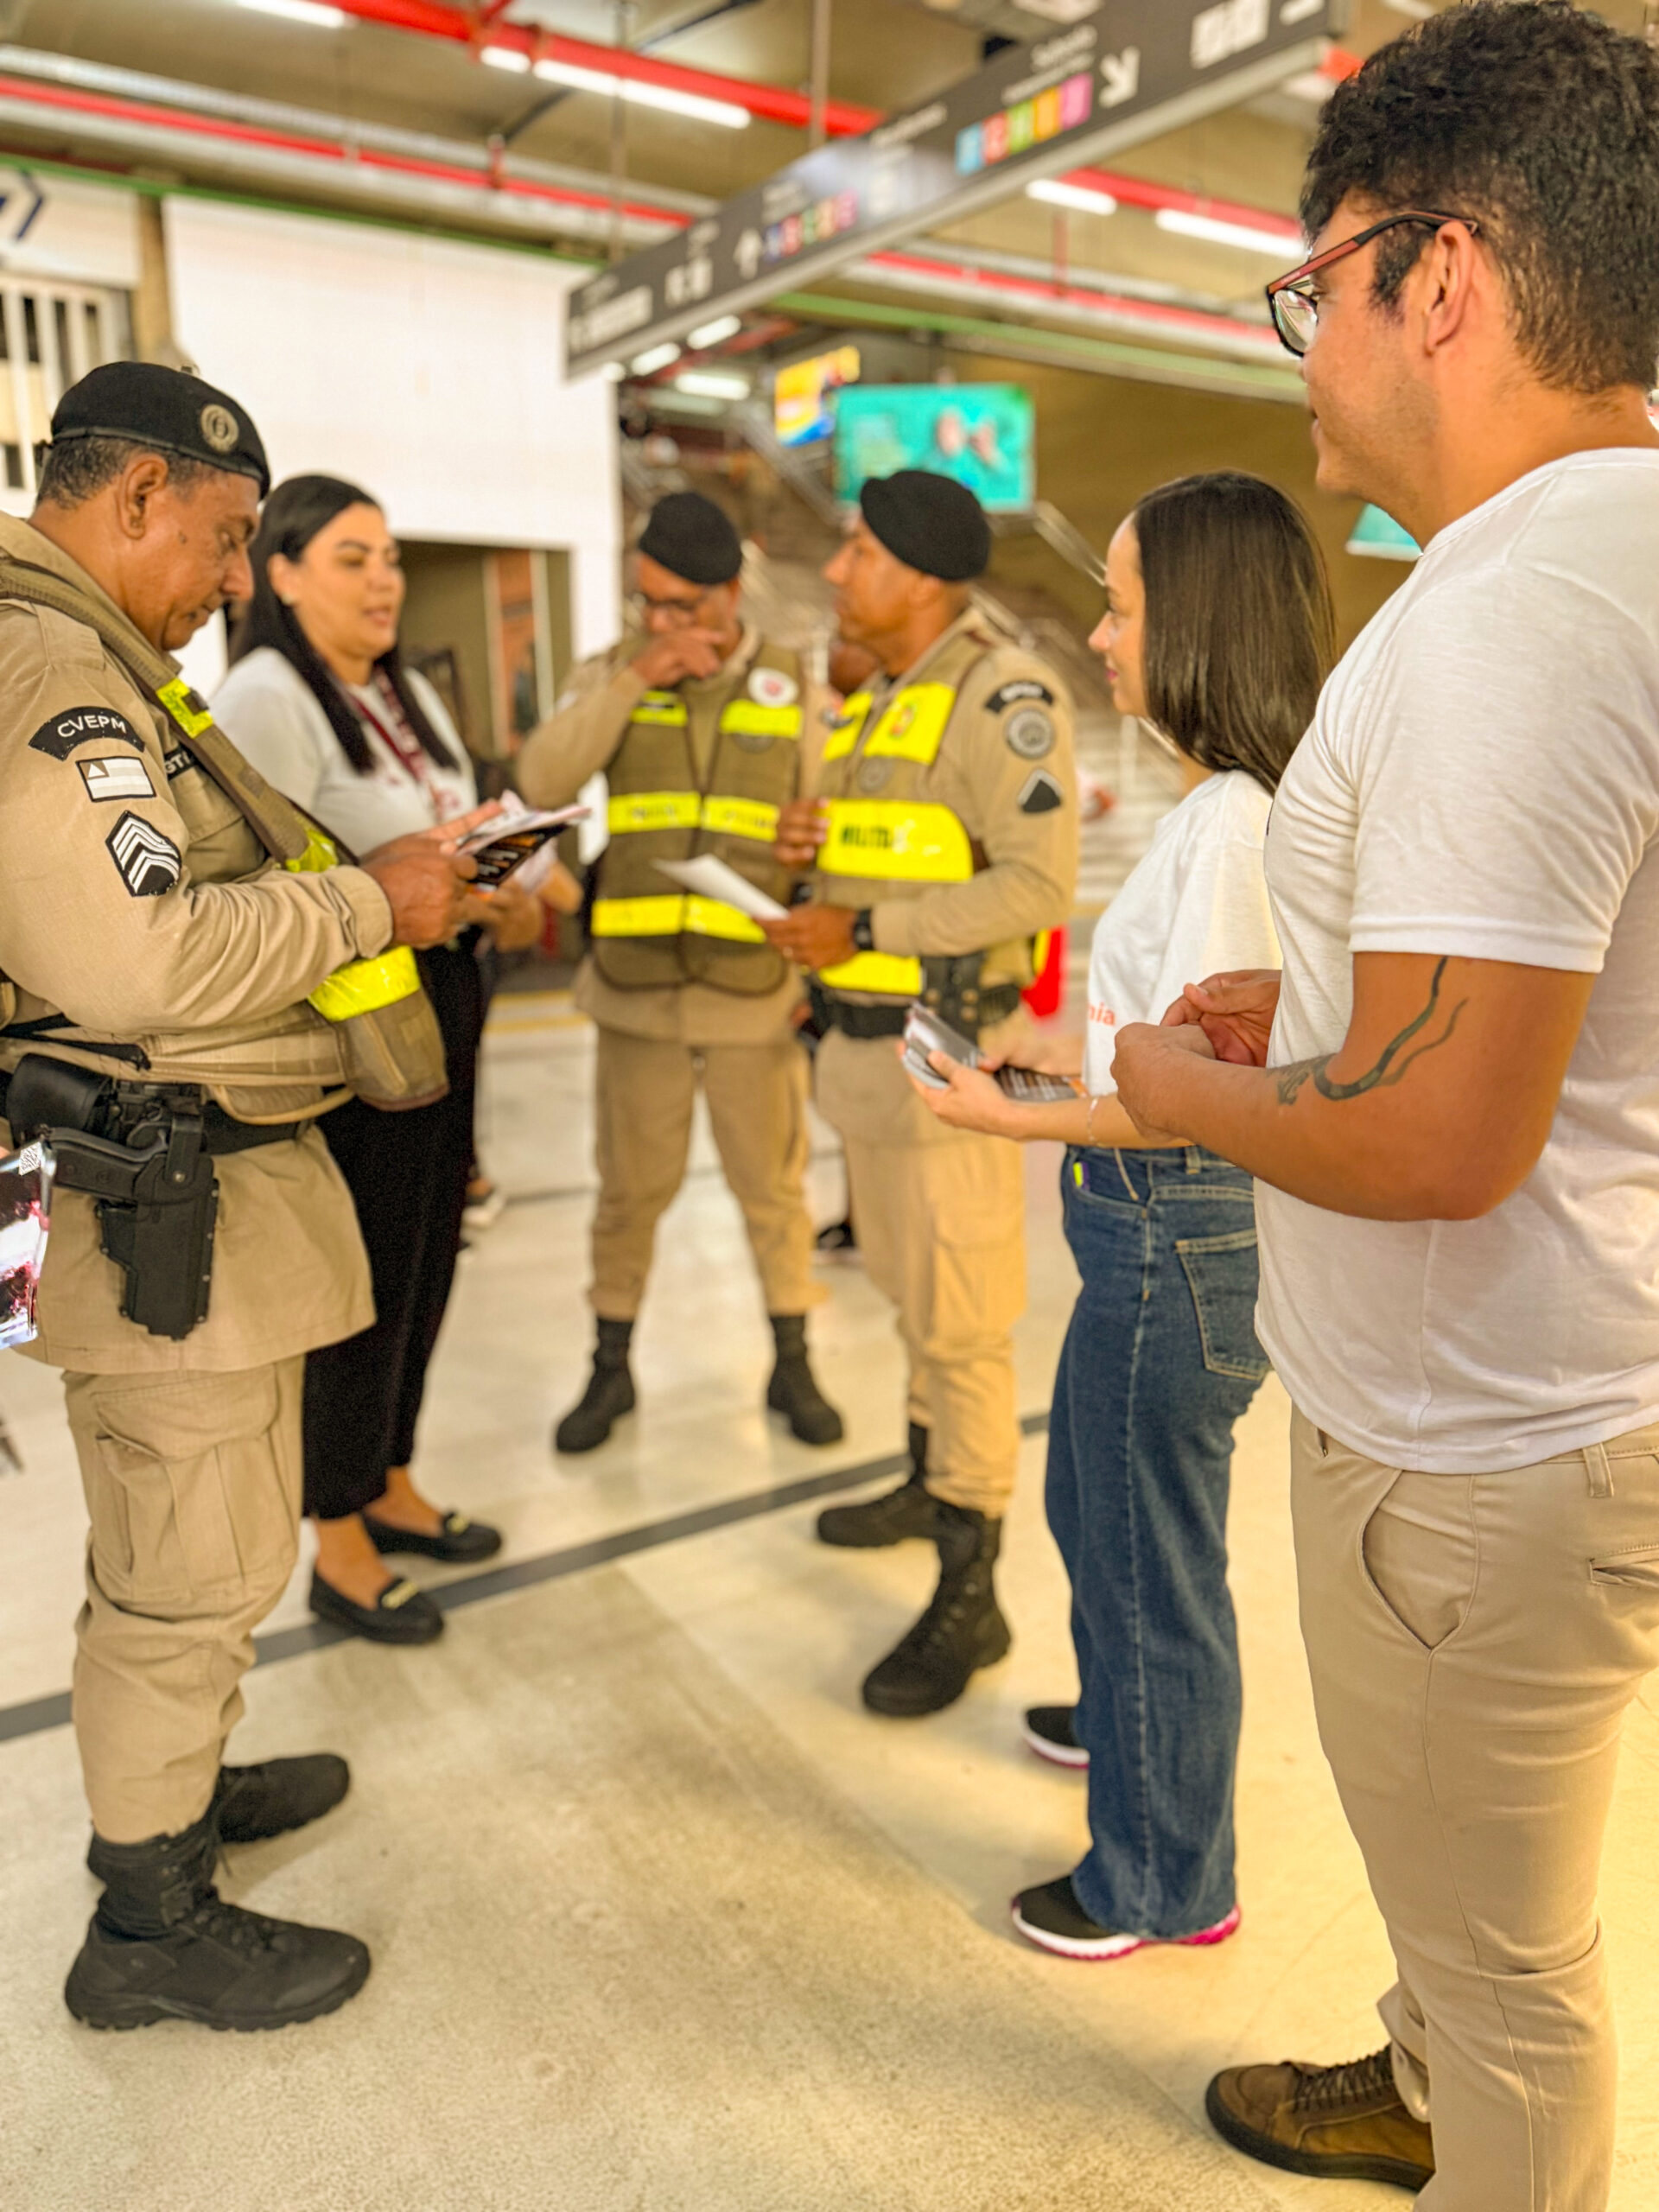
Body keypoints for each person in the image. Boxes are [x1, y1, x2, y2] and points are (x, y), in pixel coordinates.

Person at [1105, 8, 1659, 2203]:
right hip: (1570, 1384)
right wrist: (1315, 992)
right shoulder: (1607, 556)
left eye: (1303, 288)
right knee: (1471, 1919)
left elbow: (1439, 1143)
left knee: (1513, 1973)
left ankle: (1475, 2120)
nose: (1299, 350)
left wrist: (1167, 1075)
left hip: (1475, 1448)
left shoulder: (1510, 607)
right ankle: (1419, 2073)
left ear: (1437, 276)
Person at [0, 365, 476, 2031]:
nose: (227, 584)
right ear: (134, 500)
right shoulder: (55, 666)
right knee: (182, 1567)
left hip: (182, 1200)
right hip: (150, 1208)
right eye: (216, 542)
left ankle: (176, 1794)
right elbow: (131, 951)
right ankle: (148, 1924)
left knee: (188, 1545)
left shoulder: (107, 657)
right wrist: (366, 904)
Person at [905, 473, 1331, 1958]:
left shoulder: (1233, 827)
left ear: (1200, 624)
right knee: (1101, 1506)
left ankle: (1161, 1880)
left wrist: (1008, 1116)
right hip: (1151, 1232)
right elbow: (1170, 1038)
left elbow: (1186, 1098)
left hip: (1174, 1230)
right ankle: (1119, 1721)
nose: (1096, 634)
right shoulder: (1226, 805)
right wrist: (1055, 1052)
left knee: (1150, 1552)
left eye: (1126, 605)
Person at [763, 469, 1077, 1717]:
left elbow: (1035, 890)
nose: (837, 571)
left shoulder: (1003, 693)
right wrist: (814, 853)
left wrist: (867, 918)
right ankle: (924, 1475)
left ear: (923, 574)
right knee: (907, 1296)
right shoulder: (885, 700)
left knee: (963, 1323)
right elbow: (894, 841)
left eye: (858, 551)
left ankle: (974, 1584)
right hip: (864, 1058)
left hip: (949, 1061)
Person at [215, 475, 533, 1643]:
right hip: (346, 1031)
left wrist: (498, 875)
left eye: (390, 557)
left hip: (441, 998)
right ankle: (337, 1533)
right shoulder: (264, 696)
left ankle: (390, 1476)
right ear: (284, 573)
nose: (384, 579)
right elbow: (255, 883)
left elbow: (444, 834)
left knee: (428, 1256)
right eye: (352, 558)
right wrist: (407, 871)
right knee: (356, 1285)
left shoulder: (402, 692)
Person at [514, 491, 842, 1455]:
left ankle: (794, 1356)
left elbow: (831, 816)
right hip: (636, 988)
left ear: (730, 596)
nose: (663, 623)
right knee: (628, 1192)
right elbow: (540, 783)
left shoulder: (795, 684)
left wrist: (813, 839)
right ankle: (609, 1365)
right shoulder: (614, 669)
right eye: (648, 603)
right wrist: (636, 676)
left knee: (771, 1189)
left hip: (752, 989)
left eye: (682, 608)